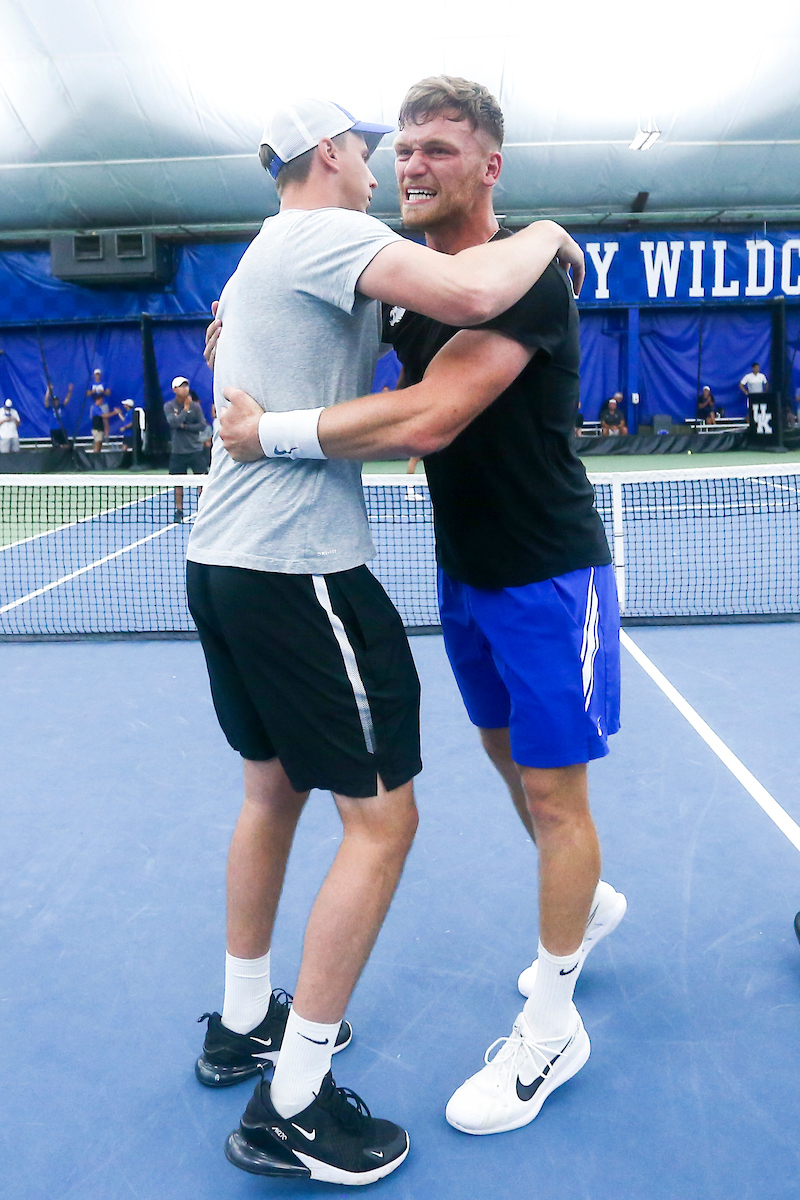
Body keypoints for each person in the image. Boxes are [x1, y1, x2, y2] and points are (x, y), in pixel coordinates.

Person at [216, 76, 623, 1143]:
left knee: (553, 798)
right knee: (510, 770)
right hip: (467, 576)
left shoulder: (518, 280)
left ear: (488, 165)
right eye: (400, 149)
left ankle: (549, 1026)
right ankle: (583, 901)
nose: (409, 165)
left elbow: (433, 415)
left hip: (548, 575)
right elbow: (261, 320)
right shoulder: (405, 286)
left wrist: (272, 434)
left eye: (437, 149)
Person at [164, 376, 207, 521]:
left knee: (201, 481)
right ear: (175, 390)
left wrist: (185, 427)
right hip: (178, 451)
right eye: (181, 386)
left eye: (186, 386)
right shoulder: (169, 406)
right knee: (178, 484)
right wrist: (185, 410)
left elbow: (202, 425)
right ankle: (179, 510)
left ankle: (203, 509)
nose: (185, 389)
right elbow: (173, 423)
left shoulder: (196, 406)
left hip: (195, 450)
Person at [44, 382, 73, 446]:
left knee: (66, 444)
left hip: (62, 429)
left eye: (57, 401)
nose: (56, 402)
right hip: (54, 430)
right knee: (56, 445)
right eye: (54, 401)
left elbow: (67, 400)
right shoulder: (50, 409)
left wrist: (70, 391)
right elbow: (46, 400)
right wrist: (48, 390)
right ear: (52, 402)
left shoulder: (61, 407)